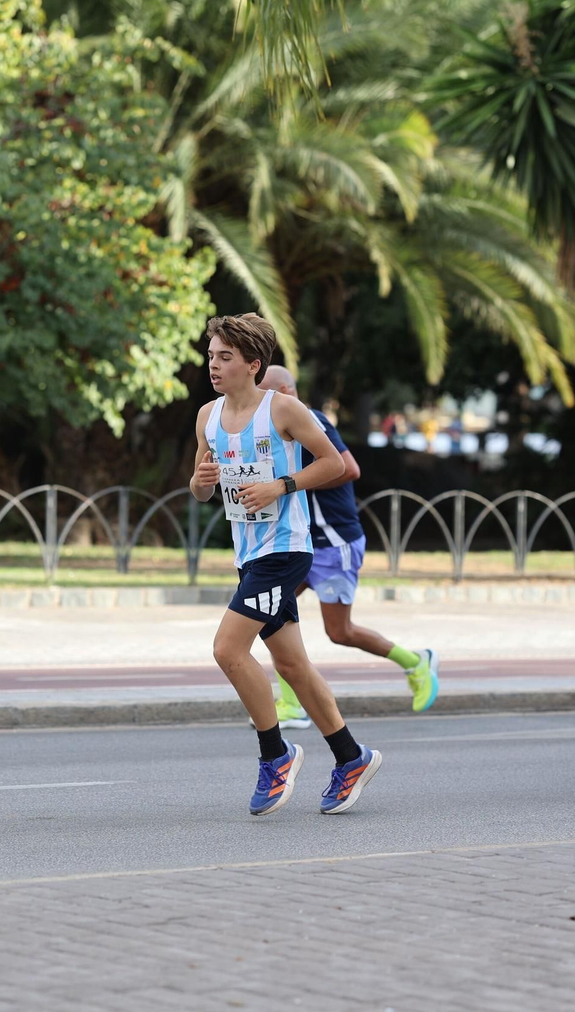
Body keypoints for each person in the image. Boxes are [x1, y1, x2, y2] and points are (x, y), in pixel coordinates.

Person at [190, 314, 382, 815]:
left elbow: (336, 464)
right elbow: (200, 487)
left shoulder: (284, 410)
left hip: (286, 549)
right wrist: (203, 479)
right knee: (292, 663)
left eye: (225, 357)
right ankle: (350, 757)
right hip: (247, 554)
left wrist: (281, 485)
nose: (214, 365)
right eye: (211, 356)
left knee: (228, 650)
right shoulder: (207, 416)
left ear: (253, 365)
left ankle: (275, 754)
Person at [259, 365, 439, 725]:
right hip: (304, 541)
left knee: (340, 632)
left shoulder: (310, 419)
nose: (259, 400)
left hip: (335, 541)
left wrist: (291, 484)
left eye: (264, 392)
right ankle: (293, 706)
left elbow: (349, 468)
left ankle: (416, 661)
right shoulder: (273, 427)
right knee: (271, 611)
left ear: (284, 391)